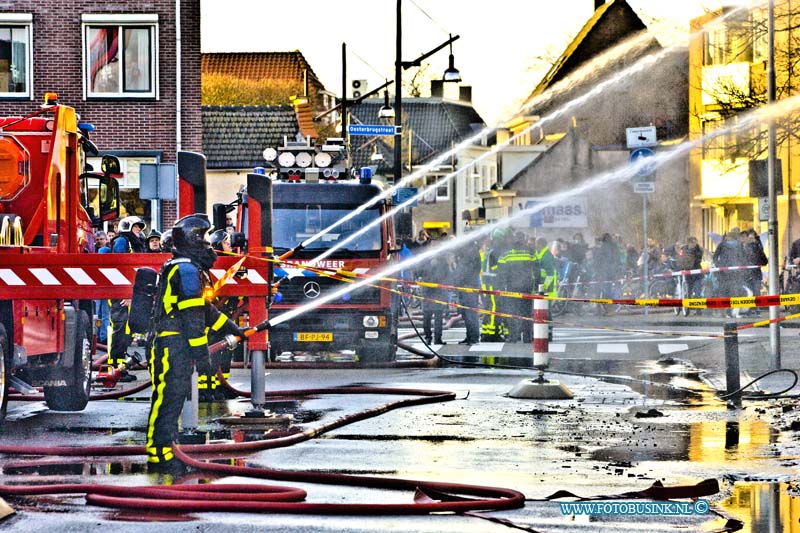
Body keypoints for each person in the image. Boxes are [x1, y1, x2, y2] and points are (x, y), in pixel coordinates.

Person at [146, 214, 244, 475]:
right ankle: (159, 452)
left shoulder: (188, 267)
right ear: (193, 240)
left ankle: (167, 447)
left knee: (174, 395)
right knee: (168, 396)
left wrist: (232, 328)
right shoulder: (186, 270)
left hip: (175, 343)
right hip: (171, 344)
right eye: (205, 240)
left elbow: (205, 309)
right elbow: (192, 317)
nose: (210, 247)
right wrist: (202, 356)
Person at [108, 216, 147, 371]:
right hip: (121, 295)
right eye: (136, 227)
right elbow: (120, 266)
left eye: (139, 227)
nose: (138, 230)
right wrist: (125, 293)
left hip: (131, 294)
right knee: (120, 328)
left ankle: (121, 366)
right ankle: (114, 366)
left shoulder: (136, 244)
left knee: (128, 331)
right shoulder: (122, 241)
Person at [495, 234, 537, 343]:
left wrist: (500, 287)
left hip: (512, 288)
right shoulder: (529, 251)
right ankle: (527, 337)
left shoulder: (506, 253)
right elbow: (537, 269)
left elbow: (500, 272)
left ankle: (514, 336)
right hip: (527, 287)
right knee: (527, 313)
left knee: (513, 313)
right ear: (523, 240)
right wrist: (537, 285)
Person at [452, 238, 481, 345]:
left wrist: (458, 281)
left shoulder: (471, 255)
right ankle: (469, 336)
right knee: (466, 314)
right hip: (464, 287)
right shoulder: (467, 255)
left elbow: (465, 272)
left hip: (469, 288)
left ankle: (473, 338)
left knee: (471, 314)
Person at [713, 228, 744, 316]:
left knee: (723, 292)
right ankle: (732, 311)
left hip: (724, 272)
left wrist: (719, 264)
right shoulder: (739, 245)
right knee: (734, 292)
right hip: (734, 272)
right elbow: (742, 257)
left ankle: (724, 312)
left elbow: (715, 256)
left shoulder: (722, 245)